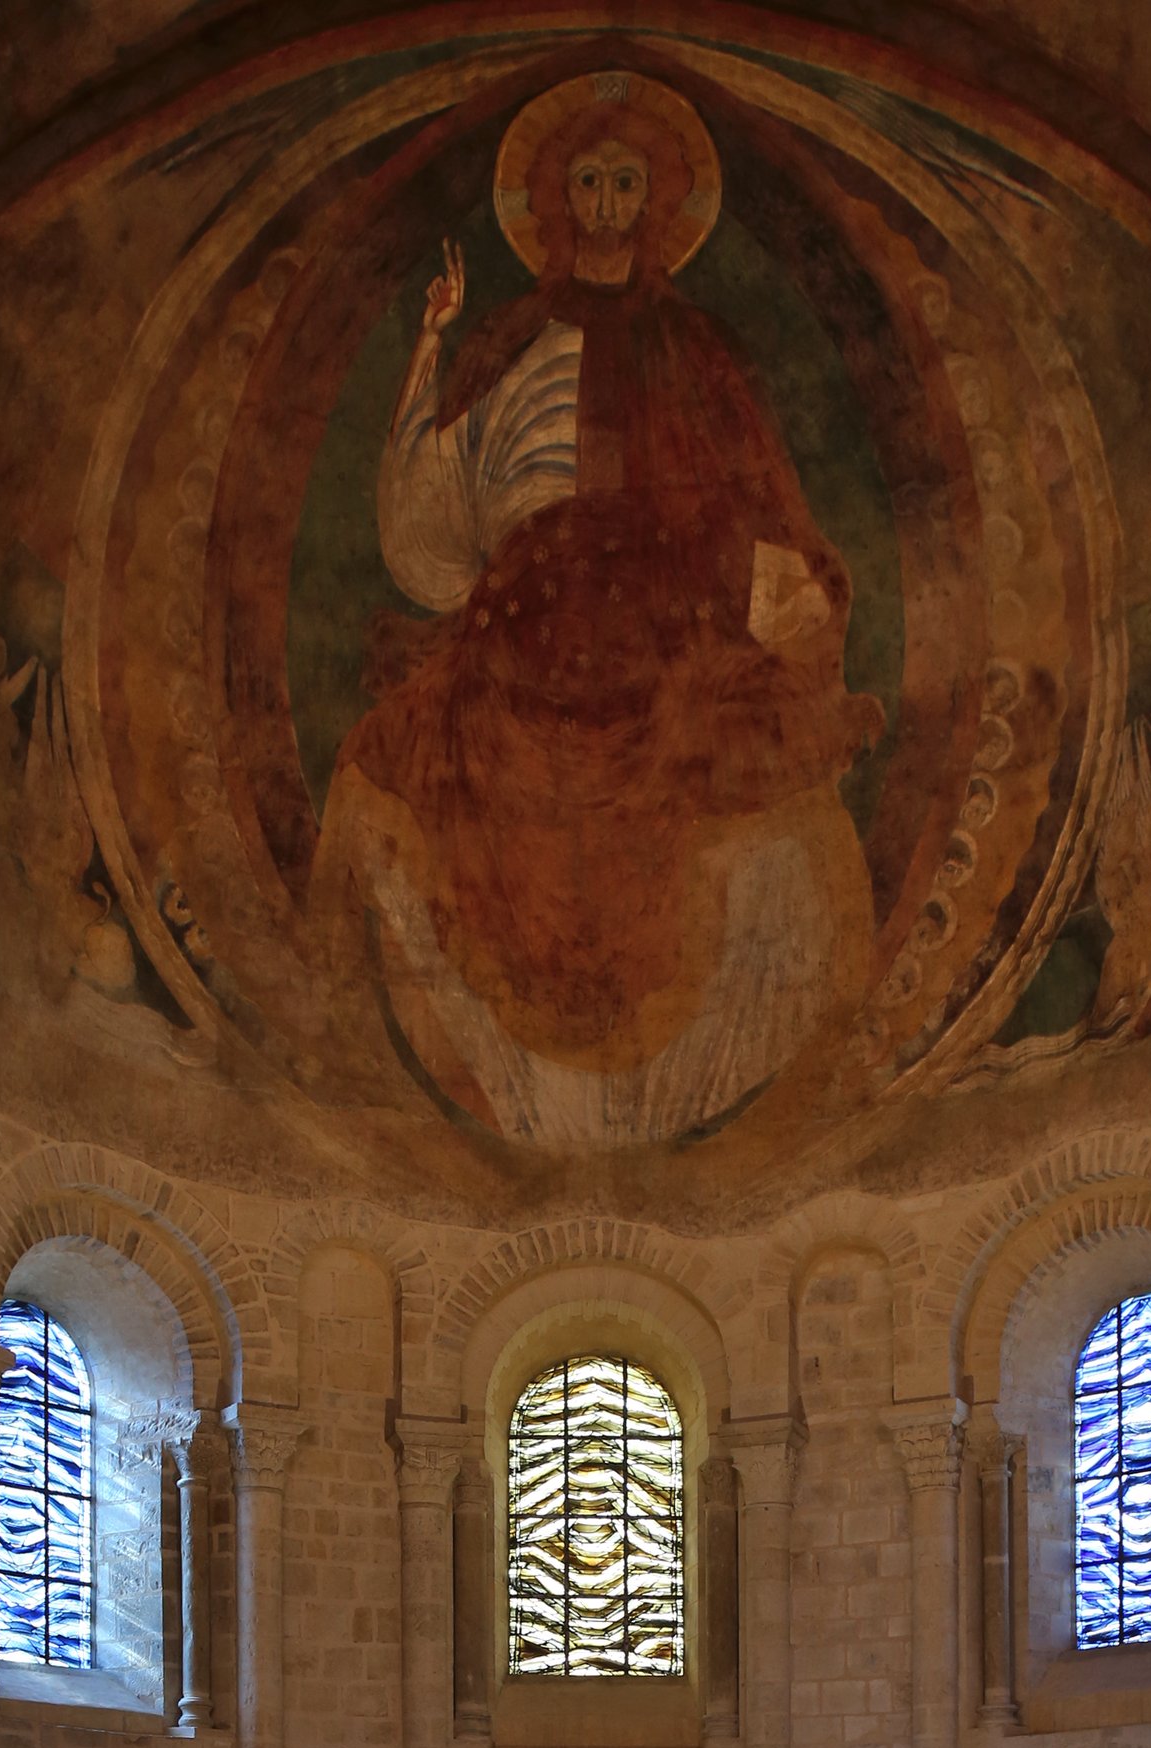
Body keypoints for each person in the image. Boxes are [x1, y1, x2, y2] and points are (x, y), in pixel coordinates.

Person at [316, 76, 881, 1140]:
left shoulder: (697, 344)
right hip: (519, 615)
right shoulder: (510, 337)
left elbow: (757, 491)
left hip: (670, 613)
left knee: (718, 744)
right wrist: (430, 346)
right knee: (409, 748)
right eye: (589, 181)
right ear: (556, 202)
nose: (608, 203)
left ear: (658, 200)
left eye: (626, 181)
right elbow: (445, 506)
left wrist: (786, 582)